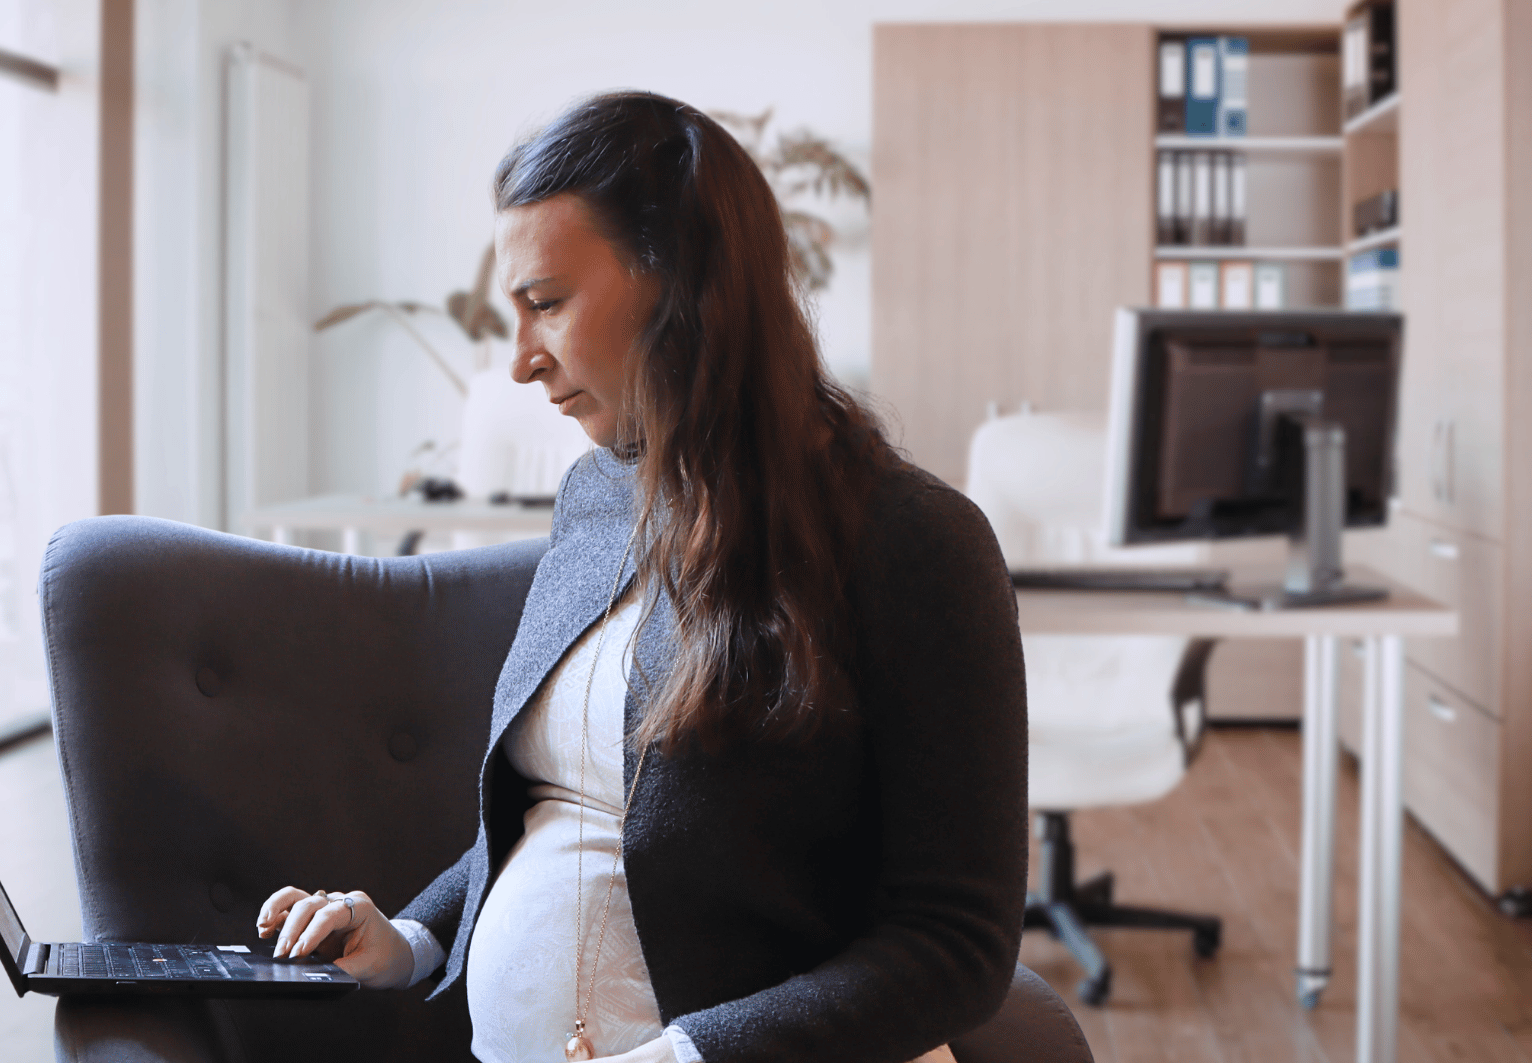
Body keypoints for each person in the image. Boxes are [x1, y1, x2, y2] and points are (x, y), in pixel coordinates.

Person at [257, 92, 1026, 1063]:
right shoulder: (591, 497)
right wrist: (408, 938)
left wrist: (682, 1058)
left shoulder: (912, 540)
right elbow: (556, 803)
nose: (522, 362)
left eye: (545, 302)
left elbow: (956, 944)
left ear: (681, 284)